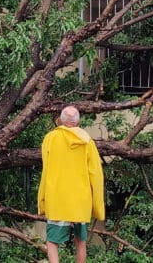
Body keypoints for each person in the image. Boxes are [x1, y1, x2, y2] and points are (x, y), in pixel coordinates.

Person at [37, 106, 105, 263]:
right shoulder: (87, 141)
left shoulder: (50, 138)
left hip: (57, 198)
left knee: (52, 241)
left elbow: (46, 170)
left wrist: (42, 200)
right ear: (78, 122)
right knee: (81, 241)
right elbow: (96, 175)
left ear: (60, 121)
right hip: (81, 200)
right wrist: (97, 207)